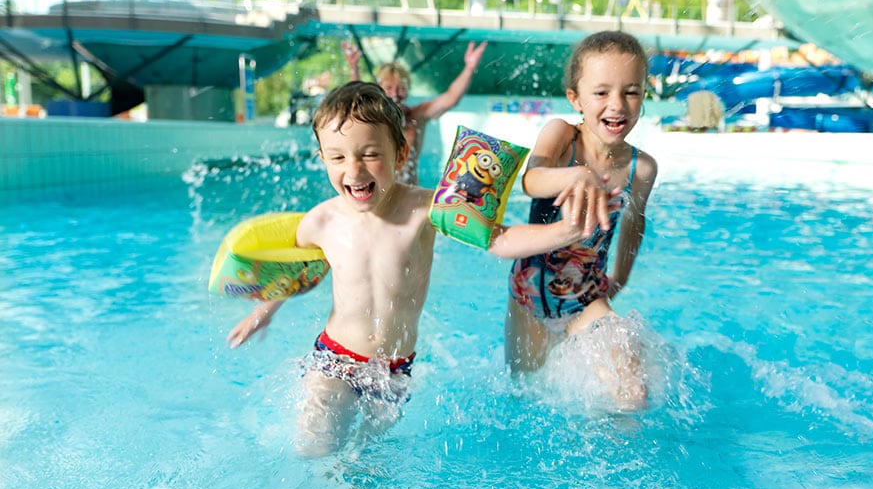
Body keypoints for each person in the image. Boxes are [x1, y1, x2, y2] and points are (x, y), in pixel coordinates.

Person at [226, 81, 592, 457]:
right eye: (337, 158)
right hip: (335, 358)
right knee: (315, 447)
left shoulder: (426, 209)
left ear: (400, 154)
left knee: (365, 466)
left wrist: (565, 231)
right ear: (322, 157)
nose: (354, 170)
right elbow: (298, 272)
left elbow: (497, 240)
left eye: (369, 154)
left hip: (394, 370)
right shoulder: (321, 221)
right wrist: (262, 312)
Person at [506, 31, 658, 409]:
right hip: (529, 293)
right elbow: (531, 180)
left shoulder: (642, 168)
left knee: (632, 392)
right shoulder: (562, 137)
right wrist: (575, 175)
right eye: (602, 92)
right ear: (575, 98)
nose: (617, 105)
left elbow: (634, 225)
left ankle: (616, 458)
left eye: (631, 91)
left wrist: (620, 278)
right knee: (524, 394)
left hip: (586, 294)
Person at [376, 40, 487, 185]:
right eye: (389, 88)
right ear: (378, 89)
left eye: (401, 88)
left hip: (410, 192)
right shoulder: (373, 119)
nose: (395, 93)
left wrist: (469, 68)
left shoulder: (418, 114)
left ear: (408, 89)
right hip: (382, 193)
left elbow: (451, 98)